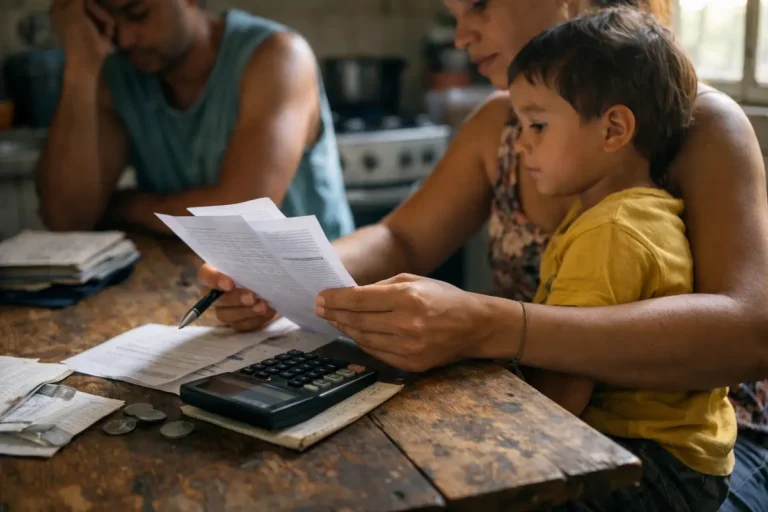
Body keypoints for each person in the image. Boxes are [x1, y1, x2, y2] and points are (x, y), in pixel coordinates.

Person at [199, 0, 768, 509]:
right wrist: (275, 272)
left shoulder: (697, 125)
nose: (462, 34)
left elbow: (751, 335)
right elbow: (403, 239)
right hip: (566, 411)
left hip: (697, 451)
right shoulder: (503, 125)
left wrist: (489, 326)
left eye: (478, 5)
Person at [506, 8, 733, 509]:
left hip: (656, 464)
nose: (521, 144)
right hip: (687, 459)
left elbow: (560, 393)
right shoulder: (615, 212)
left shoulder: (612, 231)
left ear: (613, 130)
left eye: (537, 125)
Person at [37, 0, 353, 240]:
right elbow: (66, 221)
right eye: (107, 22)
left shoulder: (279, 56)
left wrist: (121, 206)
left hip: (315, 299)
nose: (125, 38)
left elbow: (241, 215)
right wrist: (79, 68)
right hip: (198, 285)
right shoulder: (118, 72)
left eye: (137, 13)